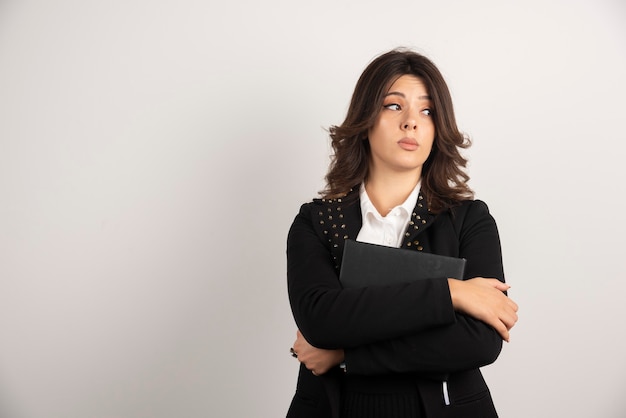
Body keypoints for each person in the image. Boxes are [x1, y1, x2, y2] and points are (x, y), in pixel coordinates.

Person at [286, 48, 519, 418]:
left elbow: (480, 341)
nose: (412, 122)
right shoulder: (316, 221)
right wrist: (451, 292)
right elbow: (320, 320)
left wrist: (349, 354)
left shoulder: (470, 219)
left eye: (427, 111)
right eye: (394, 106)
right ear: (365, 118)